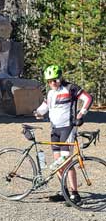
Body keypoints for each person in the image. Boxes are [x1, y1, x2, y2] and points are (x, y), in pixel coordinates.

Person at [34, 64, 93, 206]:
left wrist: (81, 114)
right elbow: (45, 106)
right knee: (57, 163)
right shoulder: (50, 93)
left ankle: (75, 194)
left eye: (55, 80)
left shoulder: (70, 88)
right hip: (54, 130)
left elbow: (87, 98)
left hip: (68, 128)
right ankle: (64, 191)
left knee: (65, 162)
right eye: (49, 81)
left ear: (60, 77)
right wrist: (37, 112)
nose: (52, 83)